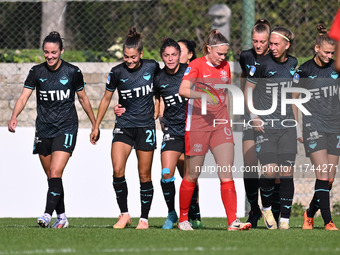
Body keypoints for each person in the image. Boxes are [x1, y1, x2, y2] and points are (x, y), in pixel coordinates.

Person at [8, 31, 96, 228]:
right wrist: (14, 116)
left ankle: (47, 214)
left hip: (66, 127)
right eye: (46, 52)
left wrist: (94, 123)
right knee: (52, 176)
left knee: (55, 171)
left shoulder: (73, 72)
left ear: (61, 51)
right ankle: (62, 216)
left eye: (54, 52)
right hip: (43, 129)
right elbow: (24, 97)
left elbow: (83, 98)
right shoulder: (36, 72)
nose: (50, 56)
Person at [177, 29, 252, 231]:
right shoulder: (196, 65)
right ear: (208, 49)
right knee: (192, 175)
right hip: (198, 126)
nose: (222, 58)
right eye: (219, 54)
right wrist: (201, 96)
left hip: (220, 125)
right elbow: (183, 90)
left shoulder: (226, 67)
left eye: (225, 54)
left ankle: (232, 221)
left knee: (226, 173)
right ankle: (183, 219)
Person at [90, 27, 160, 230]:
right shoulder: (117, 72)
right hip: (124, 126)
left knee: (144, 175)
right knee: (118, 170)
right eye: (126, 57)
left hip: (145, 126)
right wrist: (96, 126)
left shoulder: (152, 67)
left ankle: (144, 218)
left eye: (133, 57)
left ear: (141, 54)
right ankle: (124, 214)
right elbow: (106, 99)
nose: (129, 61)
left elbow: (161, 88)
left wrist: (158, 104)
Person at [244, 27, 298, 230]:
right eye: (271, 43)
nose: (271, 47)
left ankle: (284, 220)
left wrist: (297, 125)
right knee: (269, 170)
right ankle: (266, 208)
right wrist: (254, 116)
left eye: (276, 44)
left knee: (286, 172)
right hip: (265, 127)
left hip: (287, 127)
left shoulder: (293, 64)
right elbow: (247, 91)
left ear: (287, 45)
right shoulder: (261, 64)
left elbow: (293, 96)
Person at [292, 24, 339, 231]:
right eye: (326, 52)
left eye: (332, 53)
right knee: (322, 174)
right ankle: (328, 221)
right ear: (316, 48)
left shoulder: (336, 68)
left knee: (328, 179)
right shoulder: (304, 70)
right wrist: (296, 127)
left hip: (335, 127)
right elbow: (293, 100)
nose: (329, 56)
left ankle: (309, 213)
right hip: (314, 126)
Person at [239, 19, 282, 228]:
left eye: (263, 41)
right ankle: (254, 212)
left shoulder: (275, 60)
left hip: (272, 120)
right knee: (249, 166)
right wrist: (247, 111)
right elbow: (245, 81)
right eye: (255, 41)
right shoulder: (245, 56)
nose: (259, 45)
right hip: (250, 117)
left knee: (271, 168)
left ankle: (273, 210)